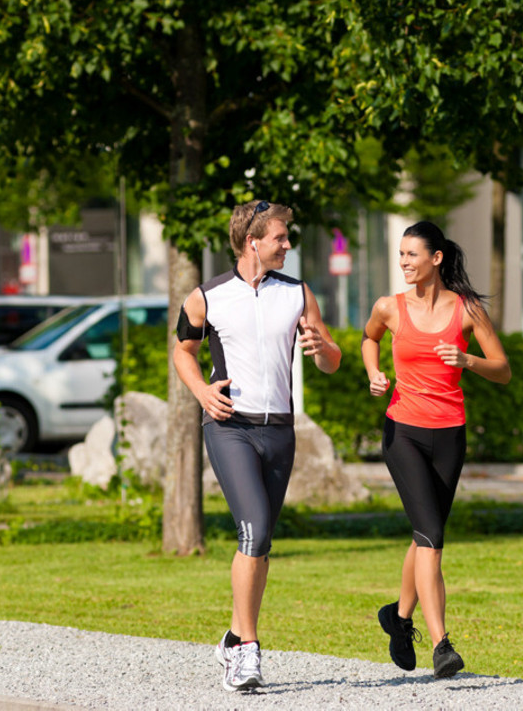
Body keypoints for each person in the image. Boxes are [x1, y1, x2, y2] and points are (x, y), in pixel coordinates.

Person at [173, 199, 341, 692]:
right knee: (255, 529)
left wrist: (323, 350)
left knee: (261, 541)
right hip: (231, 428)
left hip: (279, 431)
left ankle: (232, 636)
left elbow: (330, 359)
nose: (288, 244)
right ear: (253, 242)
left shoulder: (298, 293)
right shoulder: (207, 296)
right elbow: (184, 352)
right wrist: (202, 392)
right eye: (281, 237)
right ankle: (247, 650)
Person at [361, 220, 511, 679]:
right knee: (432, 537)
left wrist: (468, 360)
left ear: (436, 258)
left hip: (450, 434)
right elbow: (370, 339)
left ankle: (398, 618)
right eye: (401, 255)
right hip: (402, 430)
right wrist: (374, 373)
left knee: (425, 536)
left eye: (412, 255)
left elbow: (502, 369)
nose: (403, 262)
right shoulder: (389, 307)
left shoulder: (466, 311)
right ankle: (441, 644)